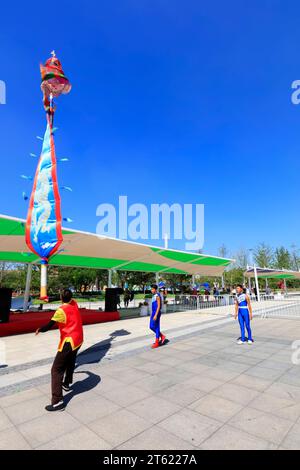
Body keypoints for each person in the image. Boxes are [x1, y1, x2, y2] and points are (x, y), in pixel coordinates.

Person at [35, 288, 83, 411]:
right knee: (71, 361)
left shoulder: (61, 311)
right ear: (71, 297)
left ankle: (57, 401)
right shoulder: (74, 303)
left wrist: (40, 329)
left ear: (61, 298)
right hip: (79, 339)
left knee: (56, 370)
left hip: (69, 341)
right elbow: (67, 299)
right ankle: (67, 383)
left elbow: (49, 326)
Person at [149, 284, 166, 349]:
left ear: (155, 289)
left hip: (157, 313)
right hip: (153, 313)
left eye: (152, 289)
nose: (151, 290)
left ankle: (156, 342)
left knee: (156, 327)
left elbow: (159, 306)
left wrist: (156, 314)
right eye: (151, 289)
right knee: (151, 326)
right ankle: (162, 336)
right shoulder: (153, 296)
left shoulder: (157, 296)